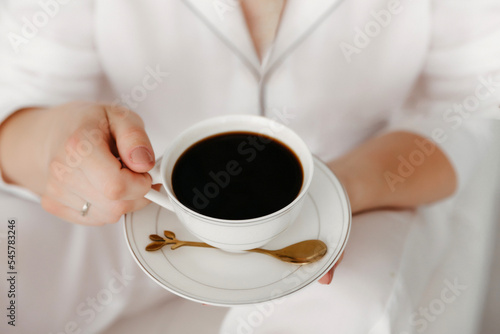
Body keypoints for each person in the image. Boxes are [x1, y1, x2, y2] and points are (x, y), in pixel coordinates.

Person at [0, 0, 498, 333]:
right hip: (140, 189)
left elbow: (476, 103)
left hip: (362, 185)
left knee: (339, 314)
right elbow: (21, 96)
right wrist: (59, 151)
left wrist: (331, 193)